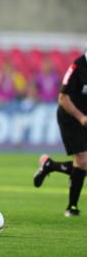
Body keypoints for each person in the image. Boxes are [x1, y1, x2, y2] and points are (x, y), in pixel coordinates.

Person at [33, 52, 87, 217]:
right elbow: (63, 97)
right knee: (83, 160)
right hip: (71, 117)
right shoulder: (78, 65)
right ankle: (71, 207)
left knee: (84, 163)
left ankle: (50, 165)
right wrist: (81, 117)